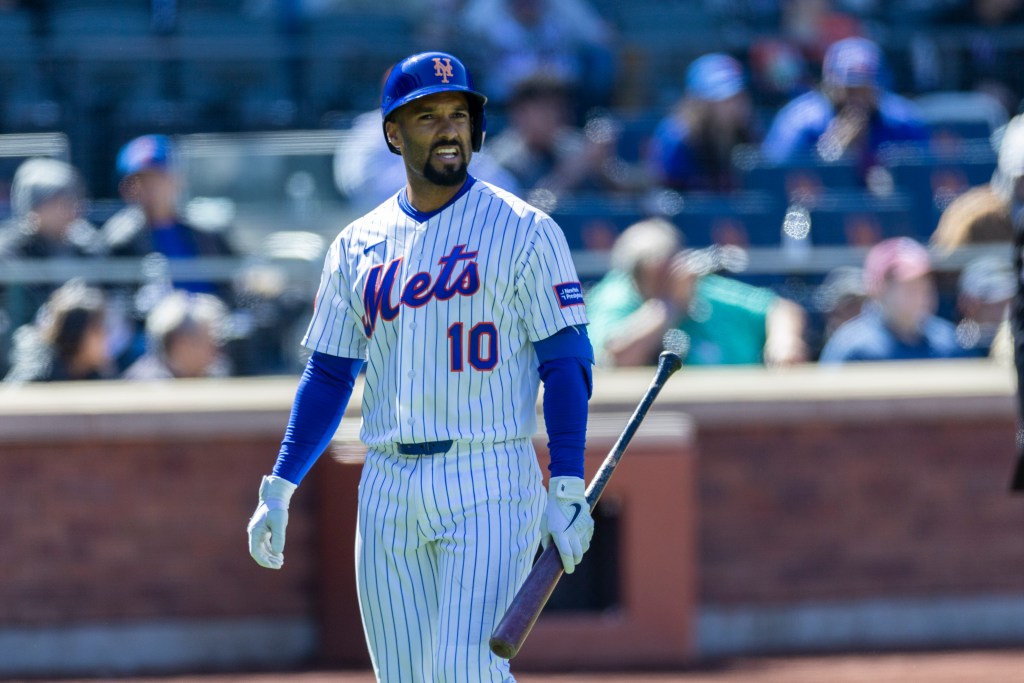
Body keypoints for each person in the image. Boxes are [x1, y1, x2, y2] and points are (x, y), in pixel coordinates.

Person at [245, 51, 595, 681]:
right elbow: (328, 375)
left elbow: (565, 361)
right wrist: (281, 483)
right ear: (392, 134)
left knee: (467, 672)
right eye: (427, 115)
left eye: (458, 113)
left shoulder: (525, 230)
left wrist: (567, 478)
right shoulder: (357, 243)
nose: (448, 128)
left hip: (488, 474)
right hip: (386, 482)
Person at [586, 217, 809, 367]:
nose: (665, 277)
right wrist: (670, 306)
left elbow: (779, 308)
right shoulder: (613, 297)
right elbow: (613, 360)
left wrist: (784, 342)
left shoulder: (695, 285)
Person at [761, 36, 929, 175]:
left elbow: (927, 175)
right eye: (849, 90)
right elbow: (774, 178)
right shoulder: (799, 121)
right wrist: (830, 154)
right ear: (831, 86)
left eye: (864, 89)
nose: (857, 100)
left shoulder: (902, 120)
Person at [101, 134, 236, 294]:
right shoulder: (118, 241)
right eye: (141, 180)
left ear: (178, 180)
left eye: (158, 178)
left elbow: (234, 285)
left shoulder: (207, 231)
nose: (151, 188)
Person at [486, 72, 645, 196]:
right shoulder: (501, 159)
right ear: (519, 112)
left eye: (559, 107)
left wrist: (602, 166)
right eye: (546, 109)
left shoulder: (572, 144)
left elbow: (625, 196)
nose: (556, 116)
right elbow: (523, 216)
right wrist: (572, 171)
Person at [0, 157, 106, 333]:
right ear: (36, 207)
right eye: (62, 203)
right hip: (24, 338)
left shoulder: (86, 245)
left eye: (74, 201)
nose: (73, 210)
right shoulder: (10, 248)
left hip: (76, 340)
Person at [819, 237, 965, 363]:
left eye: (926, 283)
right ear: (880, 289)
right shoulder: (852, 349)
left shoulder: (949, 343)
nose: (923, 292)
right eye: (911, 285)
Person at [644, 53, 759, 192]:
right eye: (721, 99)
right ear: (697, 102)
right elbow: (663, 196)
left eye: (736, 96)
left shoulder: (747, 132)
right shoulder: (676, 138)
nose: (732, 104)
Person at [3, 279, 113, 383]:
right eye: (97, 329)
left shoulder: (95, 373)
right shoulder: (38, 375)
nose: (104, 335)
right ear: (76, 334)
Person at [121, 290, 230, 379]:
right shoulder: (143, 383)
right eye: (210, 342)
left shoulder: (216, 376)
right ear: (182, 344)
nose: (217, 351)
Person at [955, 254, 1015, 357]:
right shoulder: (952, 350)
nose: (1009, 313)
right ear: (968, 305)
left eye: (1013, 303)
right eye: (999, 305)